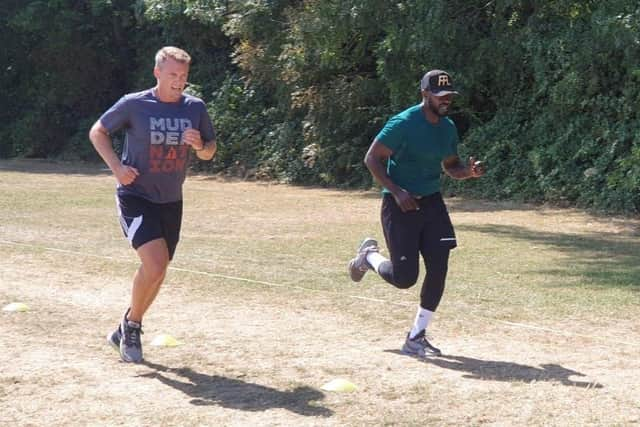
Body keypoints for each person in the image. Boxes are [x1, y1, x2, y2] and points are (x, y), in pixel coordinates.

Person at [89, 46, 217, 363]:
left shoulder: (194, 108)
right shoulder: (135, 104)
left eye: (184, 76)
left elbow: (210, 151)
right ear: (157, 72)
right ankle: (132, 327)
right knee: (155, 263)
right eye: (173, 74)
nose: (179, 81)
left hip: (171, 200)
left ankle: (126, 326)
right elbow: (99, 131)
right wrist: (117, 168)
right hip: (136, 195)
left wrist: (200, 144)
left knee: (158, 272)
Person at [348, 69, 484, 357]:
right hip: (400, 207)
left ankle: (416, 336)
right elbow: (372, 158)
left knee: (439, 267)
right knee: (404, 278)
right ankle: (368, 258)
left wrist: (468, 173)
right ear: (425, 95)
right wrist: (397, 191)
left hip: (432, 204)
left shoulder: (447, 127)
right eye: (439, 96)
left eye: (449, 96)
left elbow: (450, 165)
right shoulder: (403, 123)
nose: (445, 100)